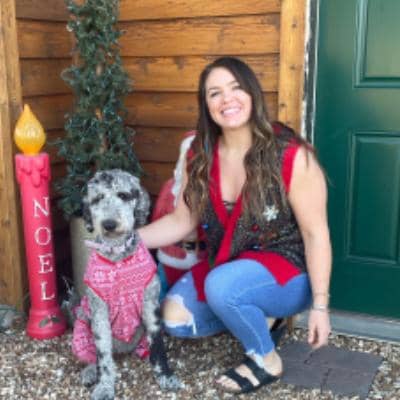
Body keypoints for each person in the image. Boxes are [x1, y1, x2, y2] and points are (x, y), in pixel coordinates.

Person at [138, 56, 331, 394]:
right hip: (228, 265)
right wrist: (126, 241)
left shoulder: (290, 155)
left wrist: (320, 306)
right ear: (206, 105)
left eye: (236, 88)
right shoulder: (200, 153)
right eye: (215, 93)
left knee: (222, 286)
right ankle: (261, 317)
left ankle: (266, 358)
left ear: (252, 93)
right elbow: (183, 220)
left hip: (288, 272)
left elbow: (315, 235)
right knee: (176, 319)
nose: (227, 99)